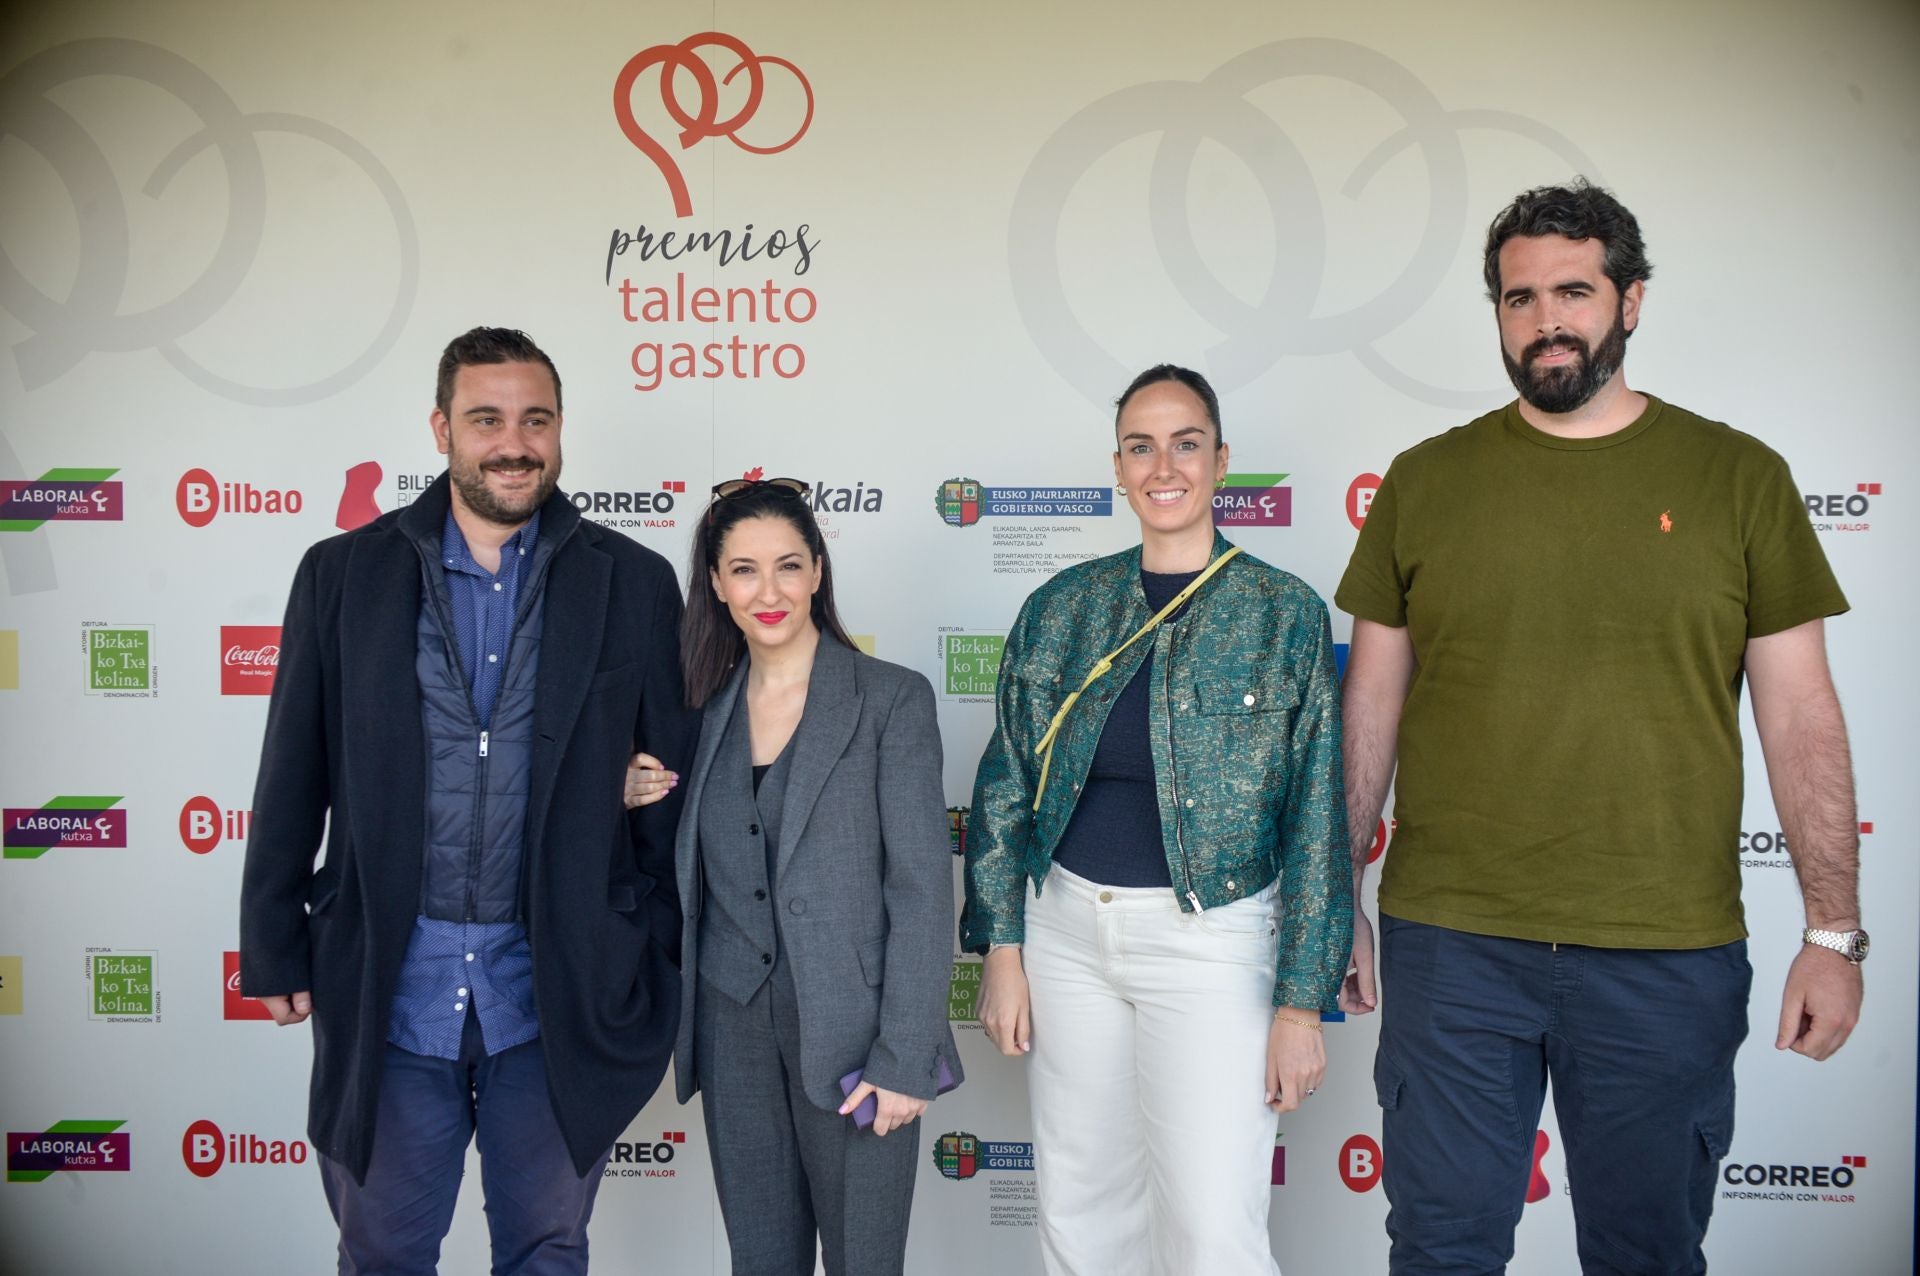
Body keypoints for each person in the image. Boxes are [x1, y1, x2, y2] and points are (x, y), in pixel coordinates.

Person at [1336, 180, 1864, 1275]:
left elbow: (1801, 715)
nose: (1547, 321)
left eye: (1573, 292)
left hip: (1665, 951)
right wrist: (1337, 893)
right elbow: (1370, 704)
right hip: (1453, 946)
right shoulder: (1425, 483)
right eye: (1519, 298)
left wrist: (1833, 931)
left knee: (1646, 1255)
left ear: (1631, 301)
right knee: (1440, 1251)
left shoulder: (1739, 479)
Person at [239, 327, 695, 1273]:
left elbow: (669, 795)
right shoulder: (342, 574)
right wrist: (273, 941)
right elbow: (292, 771)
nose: (513, 444)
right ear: (443, 429)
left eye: (536, 420)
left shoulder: (634, 581)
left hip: (559, 990)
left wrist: (651, 946)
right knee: (383, 1252)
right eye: (486, 420)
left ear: (560, 430)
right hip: (391, 986)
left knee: (546, 1248)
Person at [963, 365, 1352, 1275]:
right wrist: (1004, 948)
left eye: (1186, 444)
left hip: (1214, 938)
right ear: (1118, 466)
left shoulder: (1284, 613)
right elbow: (1006, 785)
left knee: (1212, 1225)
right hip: (1067, 933)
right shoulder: (1062, 608)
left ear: (1221, 461)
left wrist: (1301, 1003)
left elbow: (1317, 820)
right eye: (1141, 446)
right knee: (1081, 1208)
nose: (1163, 466)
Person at [641, 477, 961, 1276]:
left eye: (788, 565)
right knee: (760, 1262)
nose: (769, 591)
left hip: (861, 1039)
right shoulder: (696, 712)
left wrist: (905, 1057)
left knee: (865, 1263)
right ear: (717, 585)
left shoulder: (890, 699)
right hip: (732, 1033)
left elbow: (922, 890)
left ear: (818, 570)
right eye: (744, 570)